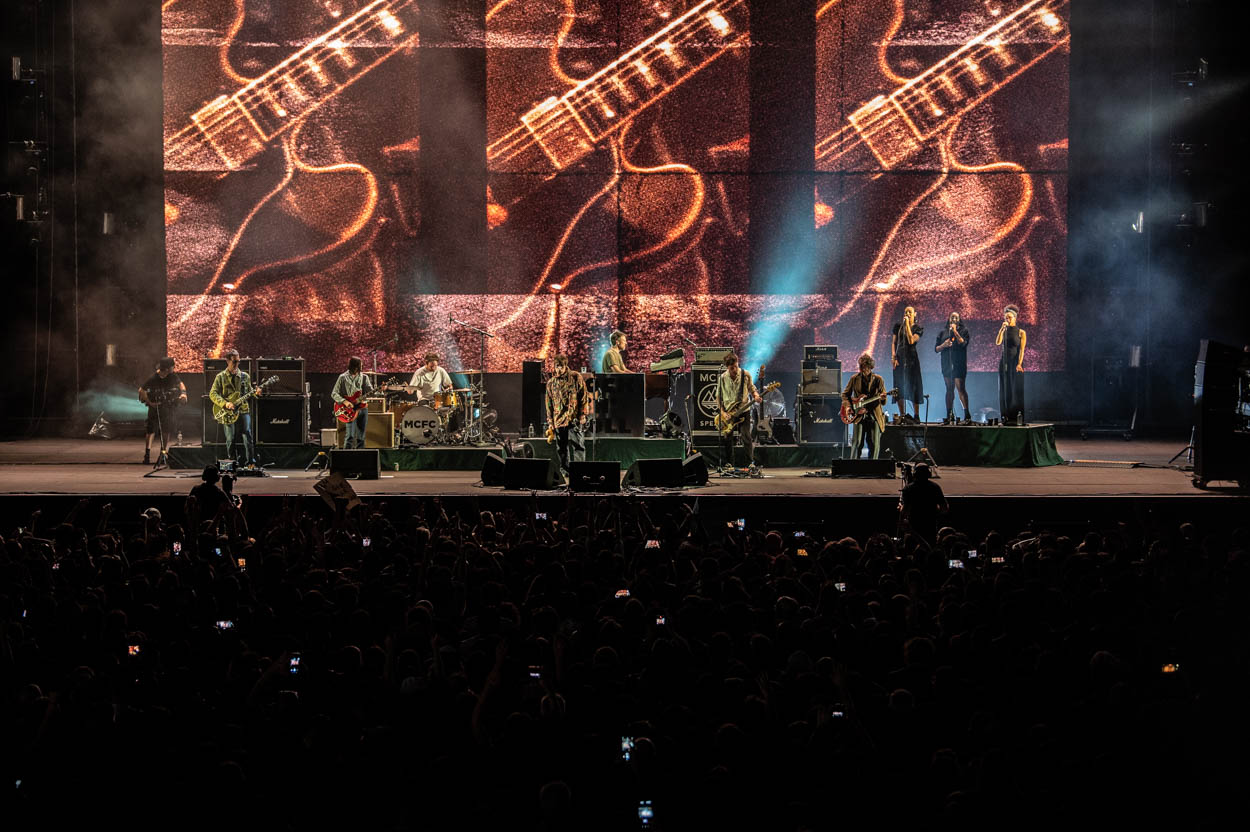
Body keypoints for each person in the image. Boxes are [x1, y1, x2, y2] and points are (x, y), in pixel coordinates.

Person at [208, 349, 262, 468]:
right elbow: (213, 394)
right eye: (234, 361)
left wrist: (256, 393)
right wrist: (225, 404)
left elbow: (249, 393)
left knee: (247, 436)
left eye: (238, 361)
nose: (237, 364)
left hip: (243, 409)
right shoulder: (220, 377)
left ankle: (251, 463)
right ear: (227, 361)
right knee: (230, 439)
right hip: (227, 412)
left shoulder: (244, 377)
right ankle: (232, 463)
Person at [716, 353, 761, 471]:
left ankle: (750, 462)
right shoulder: (722, 378)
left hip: (744, 410)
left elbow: (752, 388)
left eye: (736, 366)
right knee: (727, 437)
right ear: (727, 367)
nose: (735, 369)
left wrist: (756, 396)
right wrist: (722, 412)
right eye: (732, 368)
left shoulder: (745, 374)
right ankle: (729, 463)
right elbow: (718, 397)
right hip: (728, 413)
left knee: (746, 436)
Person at [544, 354, 588, 477]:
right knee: (561, 448)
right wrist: (550, 422)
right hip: (559, 419)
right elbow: (549, 404)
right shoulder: (551, 383)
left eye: (561, 366)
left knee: (578, 445)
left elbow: (583, 397)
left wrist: (582, 414)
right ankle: (565, 470)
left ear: (565, 366)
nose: (558, 369)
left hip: (573, 418)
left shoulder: (575, 377)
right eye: (556, 366)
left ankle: (579, 471)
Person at [138, 356, 187, 464]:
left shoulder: (172, 376)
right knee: (151, 430)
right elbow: (141, 390)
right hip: (155, 407)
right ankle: (147, 454)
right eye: (172, 366)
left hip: (167, 407)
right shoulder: (154, 378)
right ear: (167, 368)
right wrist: (150, 403)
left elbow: (181, 384)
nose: (174, 368)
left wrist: (183, 394)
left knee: (166, 430)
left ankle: (163, 453)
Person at [841, 352, 887, 459]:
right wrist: (848, 407)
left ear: (870, 367)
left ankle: (873, 468)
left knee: (875, 444)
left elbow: (883, 399)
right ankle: (853, 467)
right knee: (856, 443)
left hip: (874, 415)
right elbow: (845, 394)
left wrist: (883, 398)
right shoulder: (854, 378)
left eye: (864, 367)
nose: (861, 369)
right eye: (860, 366)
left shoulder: (878, 379)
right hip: (859, 415)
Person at [899, 463, 947, 548]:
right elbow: (944, 508)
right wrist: (934, 512)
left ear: (915, 474)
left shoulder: (908, 489)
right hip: (930, 528)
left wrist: (900, 508)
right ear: (928, 474)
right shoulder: (935, 487)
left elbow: (905, 511)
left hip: (913, 530)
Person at [331, 356, 374, 449]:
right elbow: (334, 393)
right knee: (350, 436)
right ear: (354, 366)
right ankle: (347, 459)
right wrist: (345, 401)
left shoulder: (364, 377)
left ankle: (360, 459)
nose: (360, 367)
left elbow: (371, 391)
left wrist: (381, 390)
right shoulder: (342, 377)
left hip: (362, 408)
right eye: (359, 365)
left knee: (361, 437)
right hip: (350, 410)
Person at [935, 312, 971, 422]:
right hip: (946, 363)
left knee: (960, 388)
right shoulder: (943, 333)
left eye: (956, 317)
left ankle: (966, 414)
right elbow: (936, 349)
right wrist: (943, 345)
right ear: (949, 319)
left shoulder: (964, 331)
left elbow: (963, 343)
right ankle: (949, 414)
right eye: (952, 317)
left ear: (959, 319)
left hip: (959, 363)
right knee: (949, 389)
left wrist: (955, 331)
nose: (954, 319)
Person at [891, 306, 923, 423]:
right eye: (906, 312)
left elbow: (911, 341)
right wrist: (893, 356)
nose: (907, 313)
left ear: (915, 314)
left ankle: (916, 415)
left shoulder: (918, 329)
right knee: (899, 386)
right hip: (899, 358)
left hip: (912, 360)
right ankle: (902, 414)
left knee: (914, 385)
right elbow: (894, 342)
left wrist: (908, 326)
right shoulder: (898, 327)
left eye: (910, 312)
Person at [995, 304, 1026, 424]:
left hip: (1015, 363)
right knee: (1004, 388)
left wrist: (1019, 363)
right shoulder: (1004, 330)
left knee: (1015, 389)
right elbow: (998, 342)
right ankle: (1005, 415)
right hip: (1004, 362)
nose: (1007, 320)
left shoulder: (1021, 332)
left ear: (1015, 318)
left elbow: (1022, 350)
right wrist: (1001, 329)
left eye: (1009, 317)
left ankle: (1016, 416)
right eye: (1005, 318)